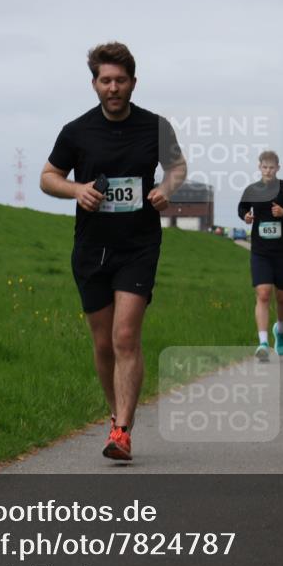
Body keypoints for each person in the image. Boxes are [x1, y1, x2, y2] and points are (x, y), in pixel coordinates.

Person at [40, 42, 186, 461]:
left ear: (133, 83)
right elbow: (48, 177)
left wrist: (166, 190)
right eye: (106, 80)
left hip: (138, 243)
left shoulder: (155, 127)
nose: (113, 88)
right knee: (103, 343)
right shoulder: (76, 131)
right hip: (91, 247)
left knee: (126, 336)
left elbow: (177, 166)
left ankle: (122, 430)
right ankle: (115, 413)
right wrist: (76, 189)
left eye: (121, 80)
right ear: (94, 84)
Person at [239, 150, 283, 361]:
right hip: (260, 251)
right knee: (263, 294)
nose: (268, 171)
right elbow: (242, 206)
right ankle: (262, 343)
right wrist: (245, 215)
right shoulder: (252, 190)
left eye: (272, 167)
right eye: (264, 167)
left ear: (278, 168)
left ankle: (279, 331)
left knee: (281, 297)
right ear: (259, 167)